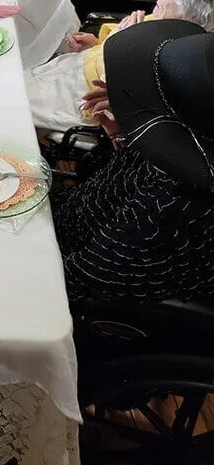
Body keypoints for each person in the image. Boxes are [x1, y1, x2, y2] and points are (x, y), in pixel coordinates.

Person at [51, 20, 214, 304]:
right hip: (66, 223)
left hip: (76, 282)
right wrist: (121, 134)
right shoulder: (173, 142)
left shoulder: (177, 202)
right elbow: (99, 185)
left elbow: (80, 280)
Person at [25, 0, 214, 132]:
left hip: (81, 96)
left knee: (15, 104)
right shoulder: (168, 19)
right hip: (79, 64)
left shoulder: (189, 62)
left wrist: (122, 43)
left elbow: (132, 100)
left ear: (188, 7)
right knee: (19, 77)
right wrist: (97, 42)